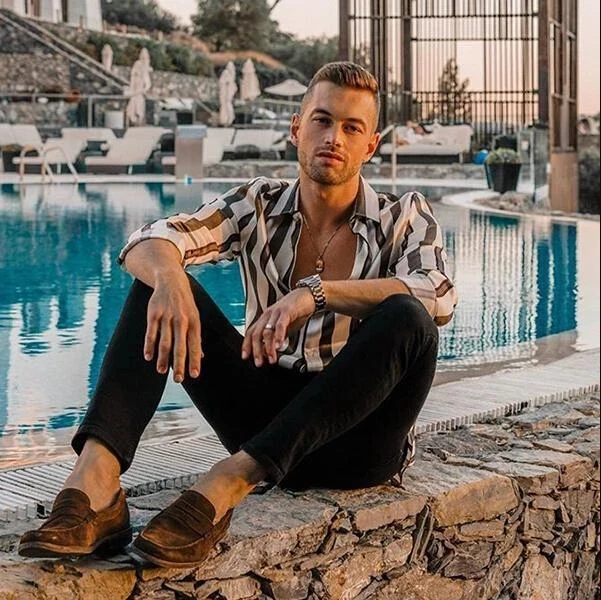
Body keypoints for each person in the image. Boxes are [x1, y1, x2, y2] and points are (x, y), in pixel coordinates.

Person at [18, 61, 458, 568]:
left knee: (408, 316)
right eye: (322, 120)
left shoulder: (404, 216)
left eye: (352, 128)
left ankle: (228, 480)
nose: (334, 137)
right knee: (156, 284)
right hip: (261, 417)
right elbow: (150, 238)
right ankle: (97, 482)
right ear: (296, 128)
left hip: (357, 442)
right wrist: (170, 279)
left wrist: (315, 294)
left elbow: (438, 295)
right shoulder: (257, 204)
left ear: (370, 146)